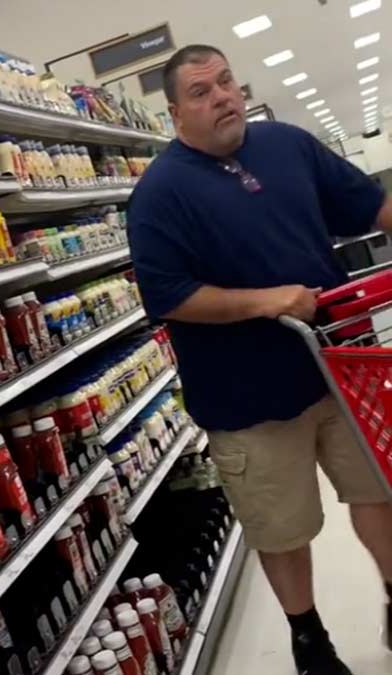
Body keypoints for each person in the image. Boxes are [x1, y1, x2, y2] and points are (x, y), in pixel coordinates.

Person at [128, 44, 392, 675]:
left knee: (379, 492)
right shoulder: (159, 195)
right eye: (201, 91)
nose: (222, 96)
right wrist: (265, 301)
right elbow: (169, 297)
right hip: (247, 397)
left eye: (226, 82)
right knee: (282, 526)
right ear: (175, 114)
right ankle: (310, 643)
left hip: (338, 369)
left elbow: (367, 204)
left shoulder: (286, 145)